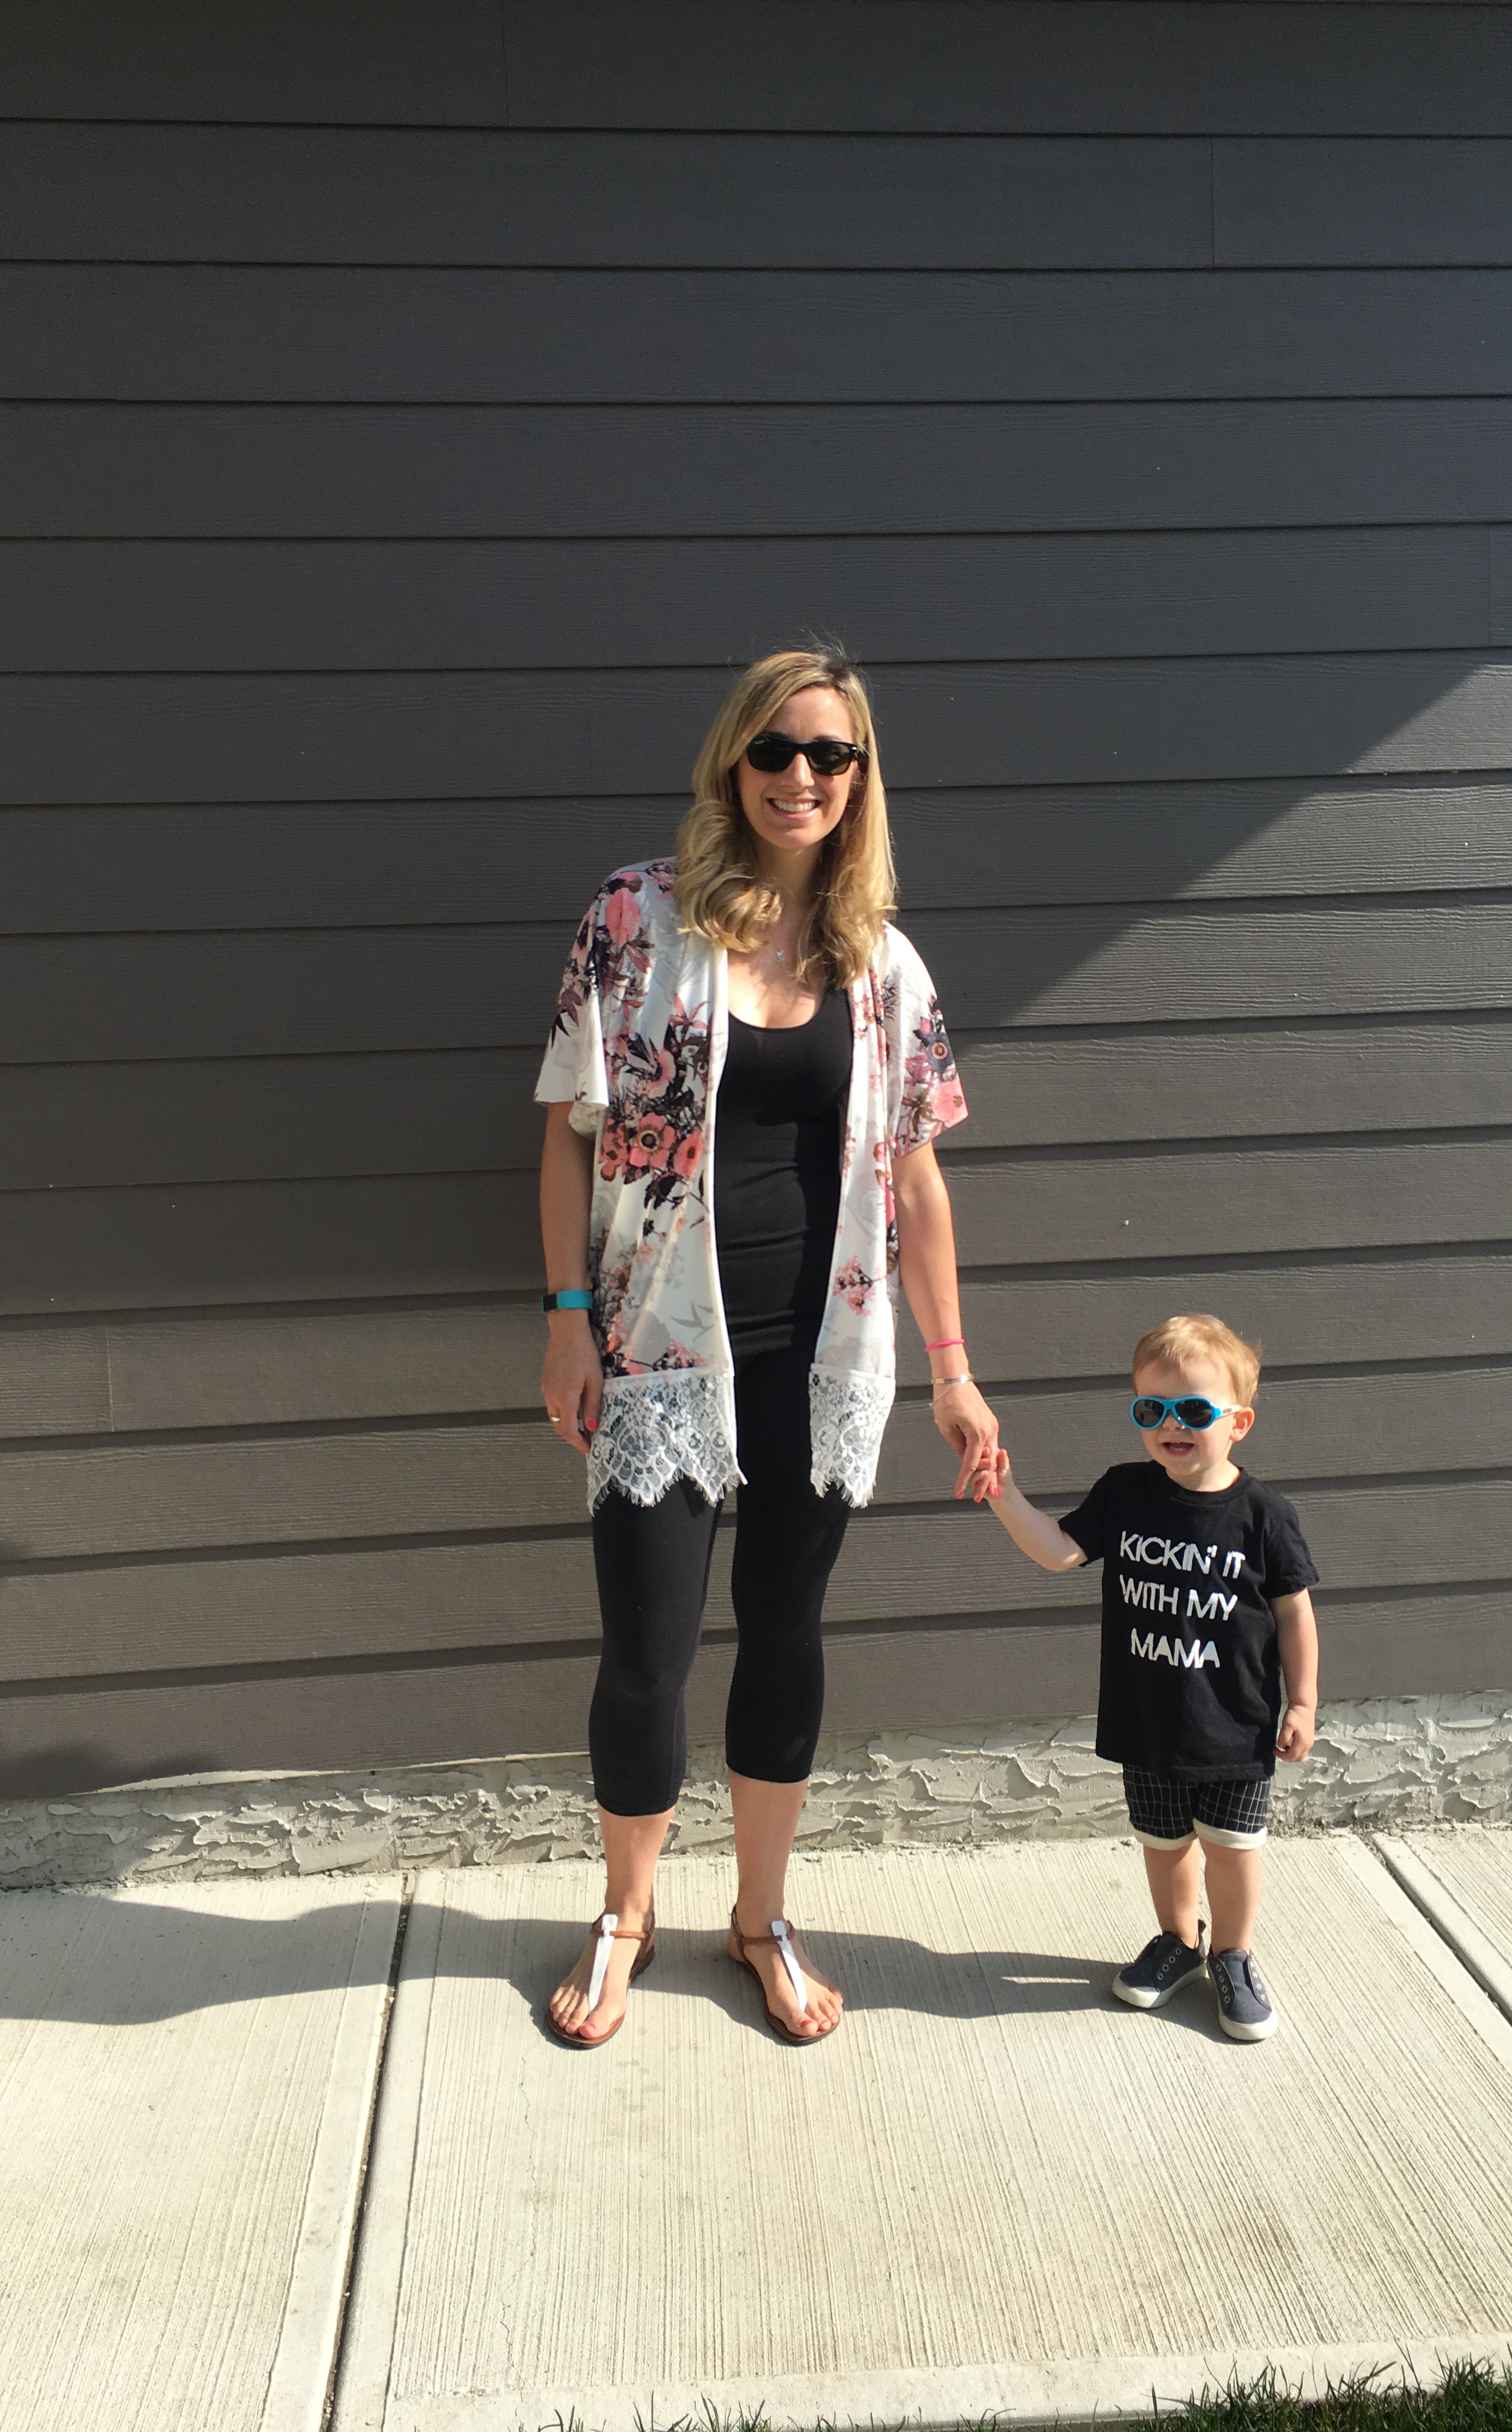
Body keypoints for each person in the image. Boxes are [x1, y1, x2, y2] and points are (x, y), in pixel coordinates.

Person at [534, 647, 1001, 2047]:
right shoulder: (637, 917)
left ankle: (759, 1918)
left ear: (861, 779)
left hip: (821, 1349)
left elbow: (917, 1182)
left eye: (833, 755)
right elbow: (565, 1136)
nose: (803, 776)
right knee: (647, 1649)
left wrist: (956, 1371)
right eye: (777, 749)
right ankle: (628, 1915)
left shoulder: (883, 963)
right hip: (659, 1350)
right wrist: (566, 1320)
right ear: (733, 762)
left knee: (786, 1634)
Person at [977, 1313, 1318, 2041]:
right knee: (1164, 1847)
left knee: (1231, 1850)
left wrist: (1303, 1702)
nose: (1171, 1424)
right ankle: (1179, 1943)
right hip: (1149, 1718)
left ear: (1239, 1423)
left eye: (1193, 1409)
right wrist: (1005, 1492)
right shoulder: (1125, 1492)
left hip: (1236, 1723)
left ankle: (1233, 1956)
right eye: (1151, 1410)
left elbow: (1294, 1613)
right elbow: (1061, 1551)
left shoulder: (1265, 1515)